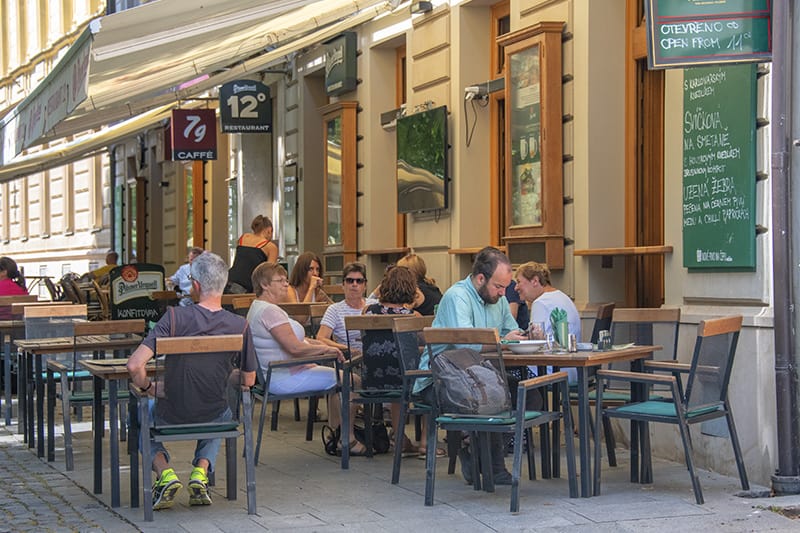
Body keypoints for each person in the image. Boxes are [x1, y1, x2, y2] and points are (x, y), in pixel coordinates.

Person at [126, 251, 258, 511]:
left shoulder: (174, 318)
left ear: (195, 286)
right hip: (214, 413)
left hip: (171, 412)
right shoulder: (239, 325)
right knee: (222, 408)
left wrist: (149, 388)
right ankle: (201, 471)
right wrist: (222, 376)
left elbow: (134, 365)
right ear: (223, 284)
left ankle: (165, 473)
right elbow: (249, 381)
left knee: (138, 414)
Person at [413, 246, 527, 485]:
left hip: (477, 378)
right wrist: (506, 341)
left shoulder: (499, 298)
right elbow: (466, 346)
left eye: (506, 286)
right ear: (480, 278)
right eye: (498, 286)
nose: (503, 293)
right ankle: (480, 457)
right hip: (439, 380)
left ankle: (485, 459)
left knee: (523, 392)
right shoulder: (458, 296)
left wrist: (523, 335)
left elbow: (510, 330)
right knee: (491, 396)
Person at [246, 262, 365, 455]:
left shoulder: (260, 308)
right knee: (352, 380)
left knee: (340, 378)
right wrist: (327, 351)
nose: (286, 284)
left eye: (286, 280)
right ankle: (347, 440)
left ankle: (337, 434)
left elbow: (298, 340)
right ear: (265, 285)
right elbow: (294, 347)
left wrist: (319, 345)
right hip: (284, 376)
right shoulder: (270, 311)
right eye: (280, 281)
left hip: (280, 372)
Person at [361, 266, 420, 456]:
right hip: (402, 379)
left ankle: (401, 437)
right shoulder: (412, 317)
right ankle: (424, 441)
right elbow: (424, 341)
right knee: (427, 379)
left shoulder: (367, 311)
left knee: (395, 372)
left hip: (371, 379)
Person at [316, 262, 377, 352]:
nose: (354, 284)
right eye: (350, 280)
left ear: (365, 286)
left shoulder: (375, 305)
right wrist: (347, 349)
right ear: (343, 285)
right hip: (349, 359)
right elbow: (321, 338)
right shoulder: (334, 310)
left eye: (359, 281)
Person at [514, 261, 581, 342]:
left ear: (535, 281)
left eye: (518, 282)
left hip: (553, 353)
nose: (516, 288)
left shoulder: (541, 302)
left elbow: (535, 342)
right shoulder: (562, 297)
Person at [226, 214, 279, 294]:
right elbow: (269, 274)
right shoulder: (270, 247)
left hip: (228, 280)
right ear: (269, 230)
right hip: (247, 287)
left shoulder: (243, 237)